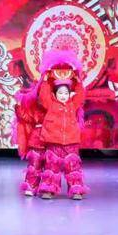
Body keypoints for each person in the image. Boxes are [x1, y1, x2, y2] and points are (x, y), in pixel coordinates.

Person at [37, 72, 88, 200]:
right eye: (60, 93)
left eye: (66, 93)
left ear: (69, 94)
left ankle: (76, 190)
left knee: (73, 167)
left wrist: (78, 81)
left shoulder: (73, 105)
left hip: (71, 143)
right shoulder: (50, 104)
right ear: (55, 94)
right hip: (54, 142)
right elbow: (43, 95)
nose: (63, 96)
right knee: (51, 167)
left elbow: (81, 96)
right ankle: (48, 190)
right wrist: (46, 80)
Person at [15, 86, 45, 196]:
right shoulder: (34, 108)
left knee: (50, 167)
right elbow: (25, 117)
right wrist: (19, 105)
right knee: (34, 164)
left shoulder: (53, 107)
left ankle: (47, 188)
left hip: (51, 140)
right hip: (36, 140)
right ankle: (31, 186)